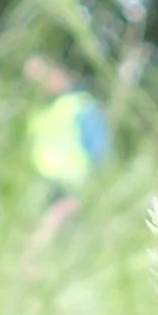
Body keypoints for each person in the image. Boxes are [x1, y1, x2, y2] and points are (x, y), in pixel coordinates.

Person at [23, 54, 108, 244]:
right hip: (41, 181)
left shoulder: (81, 104)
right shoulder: (37, 111)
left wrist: (95, 175)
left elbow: (98, 145)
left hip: (71, 180)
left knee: (56, 229)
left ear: (57, 74)